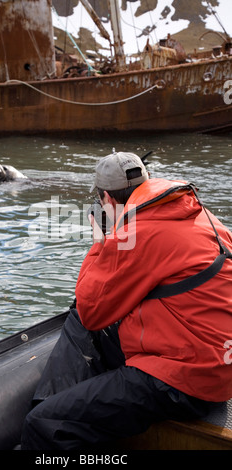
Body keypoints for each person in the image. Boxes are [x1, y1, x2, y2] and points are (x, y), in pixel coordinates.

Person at [21, 151, 232, 450]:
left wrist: (101, 240)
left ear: (106, 198)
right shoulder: (197, 213)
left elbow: (92, 310)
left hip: (185, 381)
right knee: (79, 317)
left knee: (42, 425)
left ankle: (46, 415)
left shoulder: (135, 232)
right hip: (219, 366)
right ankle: (54, 405)